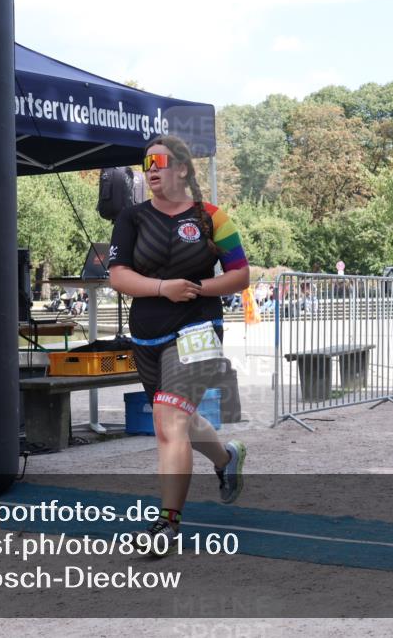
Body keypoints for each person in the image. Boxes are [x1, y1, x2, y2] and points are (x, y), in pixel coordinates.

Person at [108, 135, 248, 553]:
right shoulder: (131, 217)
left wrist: (198, 288)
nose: (151, 169)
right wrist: (162, 287)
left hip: (198, 330)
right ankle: (225, 459)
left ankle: (167, 525)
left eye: (160, 162)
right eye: (146, 163)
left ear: (183, 169)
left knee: (168, 421)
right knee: (179, 419)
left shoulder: (211, 217)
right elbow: (118, 276)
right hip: (148, 333)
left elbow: (240, 274)